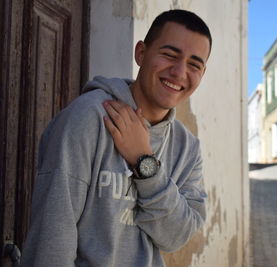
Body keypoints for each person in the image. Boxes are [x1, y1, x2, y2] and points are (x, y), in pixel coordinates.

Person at [21, 9, 211, 267]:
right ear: (141, 53)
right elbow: (52, 234)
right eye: (169, 55)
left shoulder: (187, 148)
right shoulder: (89, 118)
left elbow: (175, 237)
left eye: (194, 65)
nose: (179, 72)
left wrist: (145, 163)